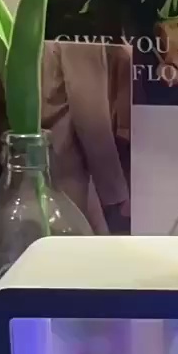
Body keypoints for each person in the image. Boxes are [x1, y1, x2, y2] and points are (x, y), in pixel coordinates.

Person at [42, 40, 131, 233]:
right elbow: (90, 113)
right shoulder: (80, 39)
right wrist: (115, 192)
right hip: (68, 160)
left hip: (57, 159)